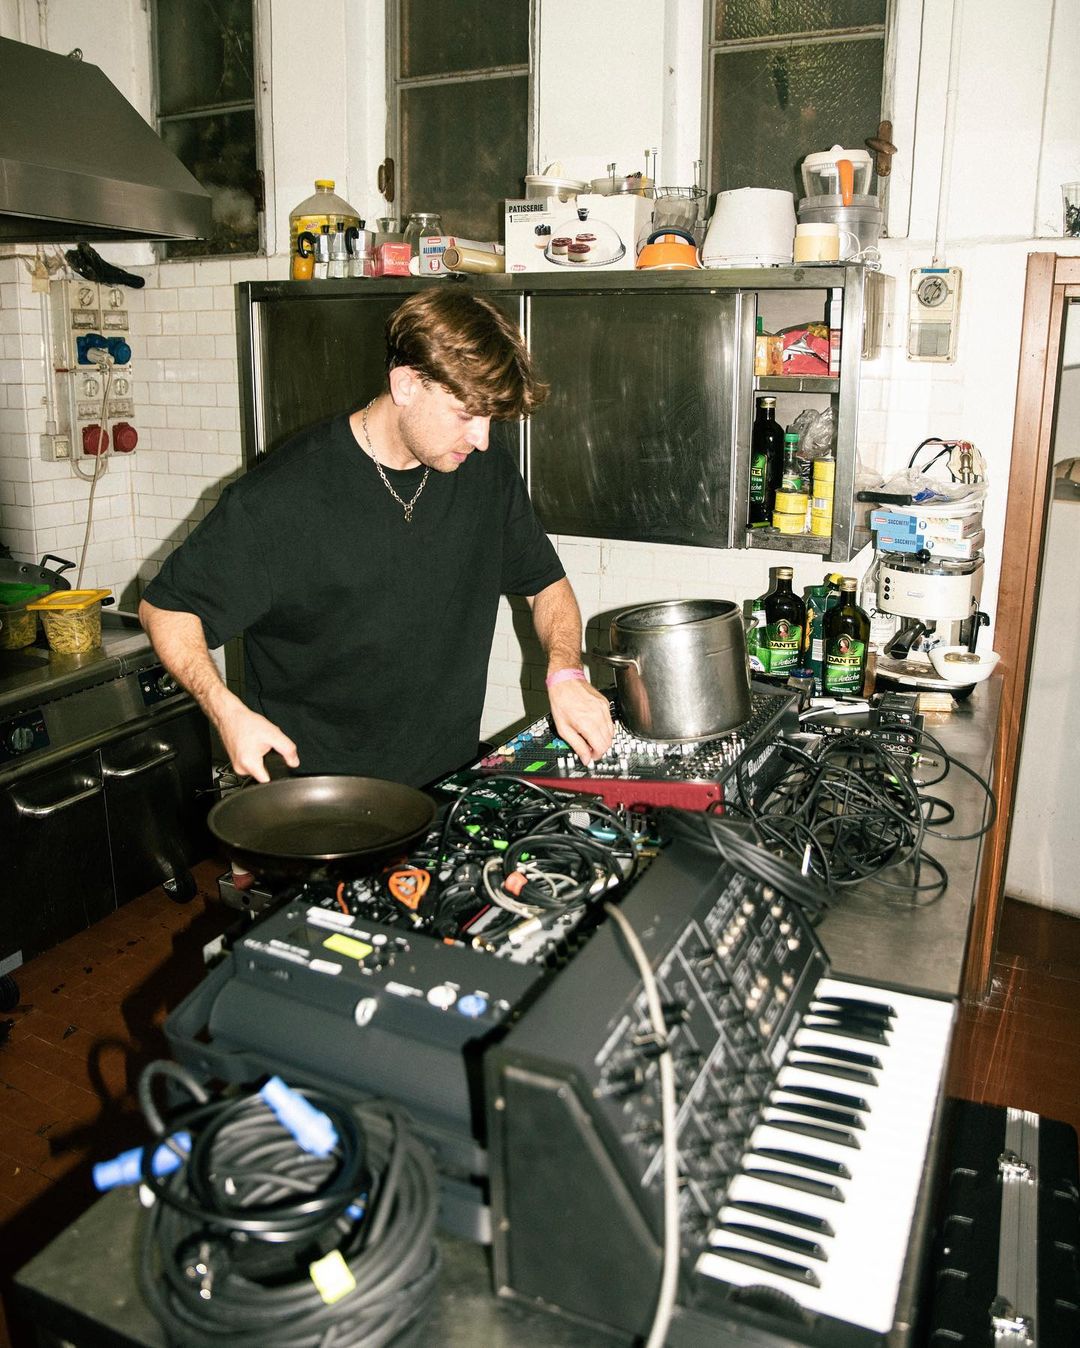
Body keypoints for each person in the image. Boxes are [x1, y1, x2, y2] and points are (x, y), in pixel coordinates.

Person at [139, 287, 614, 787]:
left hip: (443, 785)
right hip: (318, 797)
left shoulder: (486, 472)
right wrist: (225, 711)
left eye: (490, 419)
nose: (482, 439)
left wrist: (566, 674)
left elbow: (546, 585)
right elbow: (166, 609)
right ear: (406, 384)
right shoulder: (281, 497)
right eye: (466, 415)